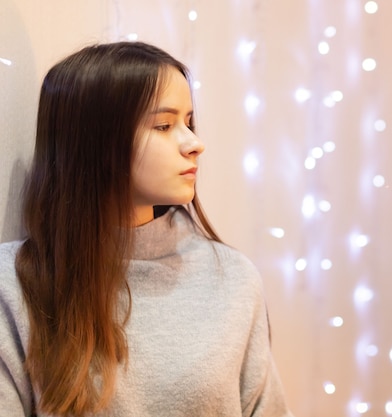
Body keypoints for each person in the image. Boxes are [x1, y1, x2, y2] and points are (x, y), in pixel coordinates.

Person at [0, 41, 293, 417]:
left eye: (188, 122)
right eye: (164, 125)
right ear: (95, 142)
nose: (194, 144)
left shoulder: (232, 278)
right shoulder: (14, 285)